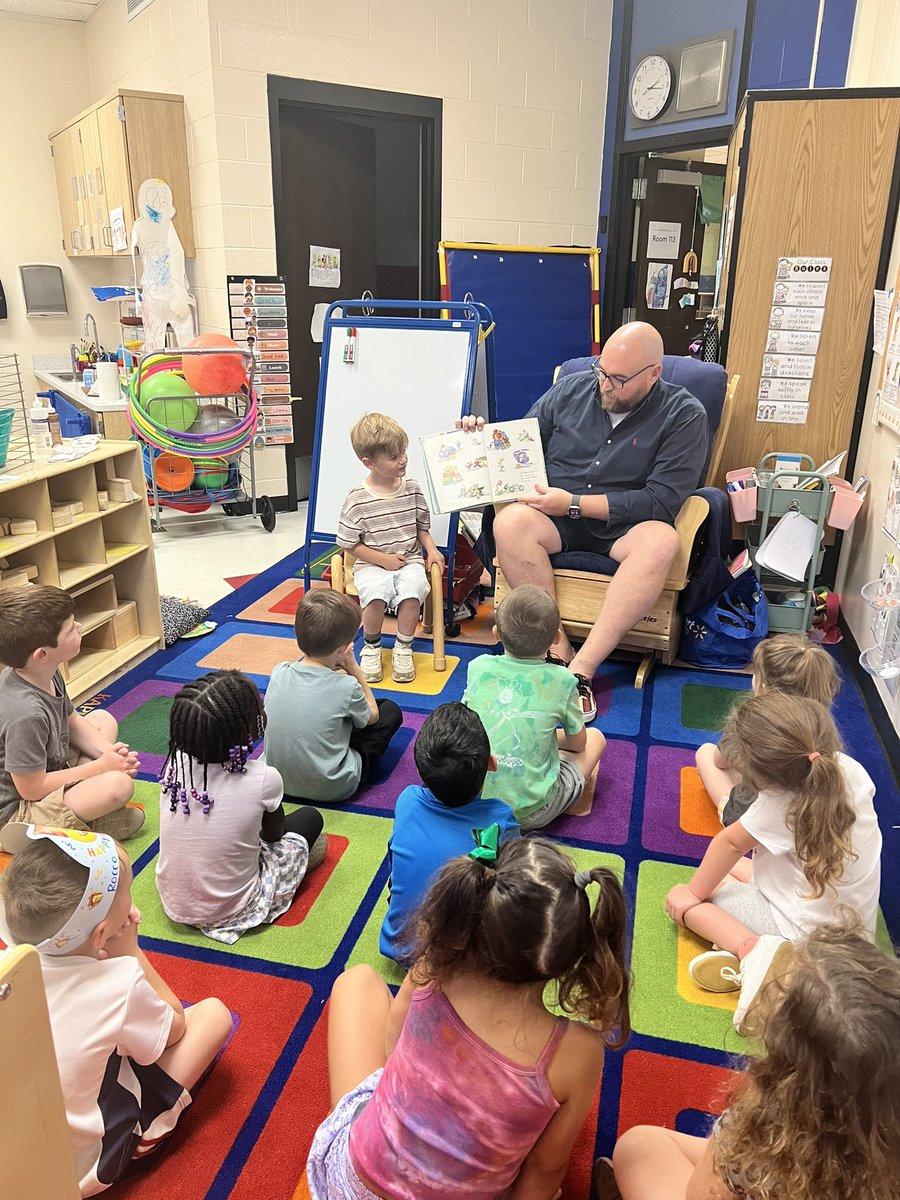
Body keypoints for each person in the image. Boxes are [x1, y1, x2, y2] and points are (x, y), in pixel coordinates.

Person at [308, 837, 631, 1200]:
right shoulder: (579, 1051)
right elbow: (546, 1169)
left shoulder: (435, 965)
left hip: (348, 1185)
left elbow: (392, 1041)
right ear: (571, 954)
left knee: (358, 980)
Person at [462, 322, 708, 720]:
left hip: (622, 527)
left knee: (662, 540)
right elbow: (516, 452)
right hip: (554, 517)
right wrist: (478, 438)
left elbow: (660, 502)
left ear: (653, 374)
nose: (605, 385)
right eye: (601, 371)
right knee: (509, 524)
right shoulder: (570, 390)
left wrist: (574, 503)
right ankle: (556, 648)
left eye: (618, 379)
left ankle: (582, 669)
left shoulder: (684, 416)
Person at [0, 823, 232, 1195]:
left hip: (16, 1162)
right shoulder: (120, 981)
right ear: (101, 934)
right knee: (214, 1015)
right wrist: (132, 952)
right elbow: (175, 1027)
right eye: (126, 893)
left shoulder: (9, 971)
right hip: (81, 1168)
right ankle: (140, 1138)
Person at [594, 924, 900, 1200]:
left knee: (638, 1147)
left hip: (754, 1173)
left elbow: (698, 1194)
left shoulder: (762, 1126)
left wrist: (723, 1150)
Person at [664, 692, 881, 1031]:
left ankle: (757, 956)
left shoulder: (777, 804)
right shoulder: (850, 770)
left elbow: (728, 843)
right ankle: (769, 956)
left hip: (804, 936)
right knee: (729, 871)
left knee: (690, 902)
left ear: (754, 773)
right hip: (852, 928)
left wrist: (691, 895)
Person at [155, 670, 326, 944]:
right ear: (249, 728)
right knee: (311, 819)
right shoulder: (263, 778)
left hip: (176, 901)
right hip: (234, 907)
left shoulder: (177, 763)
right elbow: (272, 836)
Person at [379, 701, 519, 961]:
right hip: (461, 961)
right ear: (491, 764)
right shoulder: (501, 818)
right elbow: (514, 879)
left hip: (401, 948)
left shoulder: (407, 800)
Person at [0, 585, 143, 839]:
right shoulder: (25, 713)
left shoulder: (45, 670)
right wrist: (101, 768)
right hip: (18, 809)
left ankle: (83, 816)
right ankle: (34, 835)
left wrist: (108, 755)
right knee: (118, 786)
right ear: (41, 654)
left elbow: (71, 719)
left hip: (50, 768)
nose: (79, 627)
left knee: (102, 719)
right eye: (70, 628)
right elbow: (31, 789)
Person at [463, 584, 606, 829]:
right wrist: (546, 737)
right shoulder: (563, 680)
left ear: (496, 633)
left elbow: (468, 726)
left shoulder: (478, 666)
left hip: (475, 800)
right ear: (556, 639)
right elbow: (578, 743)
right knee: (595, 738)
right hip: (534, 812)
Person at [263, 590, 402, 804]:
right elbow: (373, 716)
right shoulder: (346, 686)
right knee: (388, 711)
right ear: (344, 650)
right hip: (333, 787)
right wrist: (354, 669)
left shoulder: (279, 672)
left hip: (276, 780)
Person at [336, 412, 445, 684]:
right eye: (394, 457)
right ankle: (371, 646)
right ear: (369, 462)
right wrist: (382, 560)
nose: (403, 459)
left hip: (409, 560)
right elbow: (349, 543)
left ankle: (403, 646)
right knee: (375, 596)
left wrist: (431, 549)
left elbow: (422, 528)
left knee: (412, 593)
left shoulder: (412, 488)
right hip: (371, 563)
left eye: (403, 452)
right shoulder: (357, 498)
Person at [695, 634, 840, 827]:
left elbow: (719, 762)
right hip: (805, 819)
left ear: (762, 685)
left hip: (753, 822)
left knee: (705, 753)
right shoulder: (822, 726)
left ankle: (730, 814)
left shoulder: (751, 719)